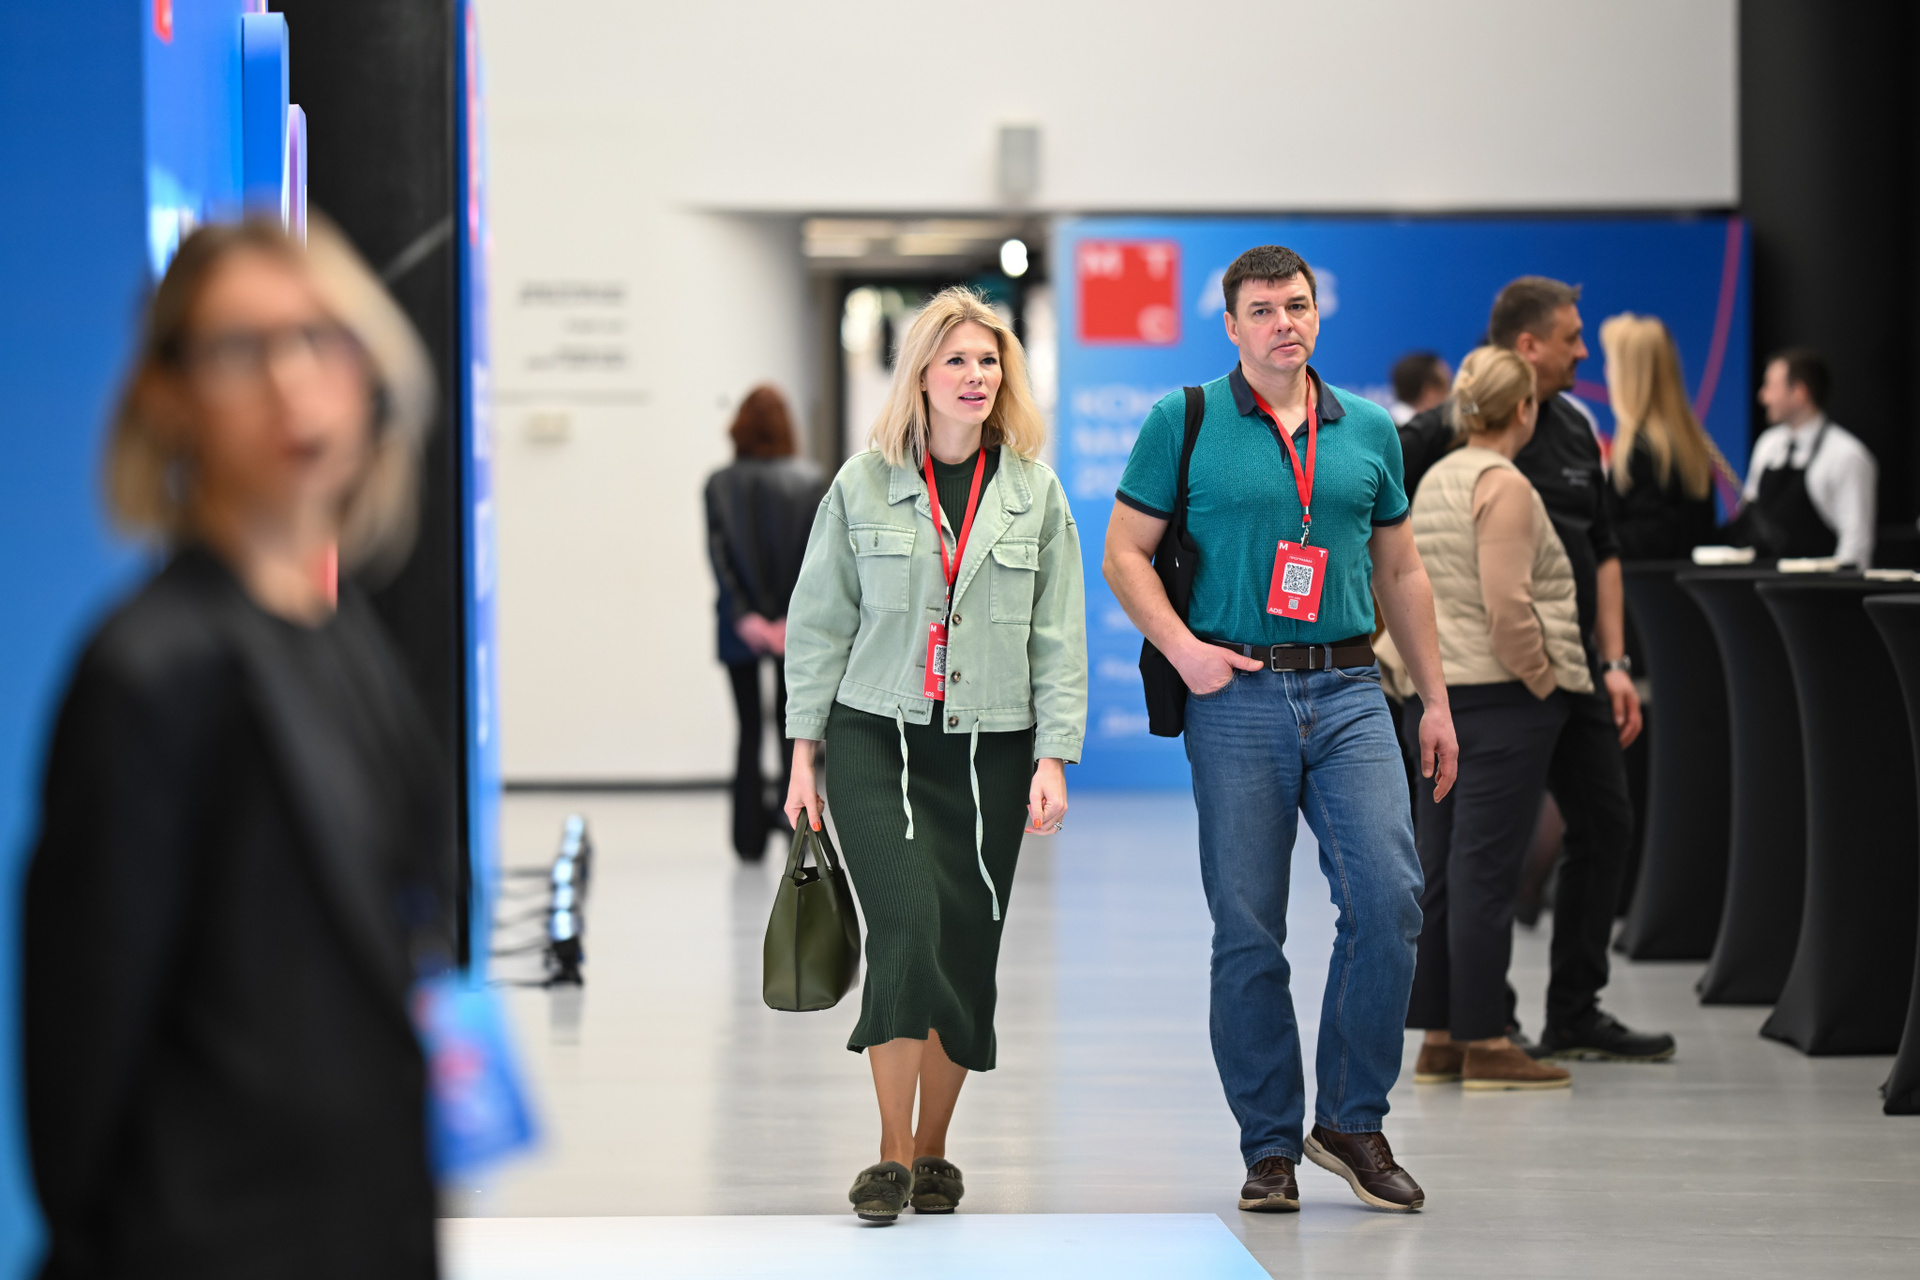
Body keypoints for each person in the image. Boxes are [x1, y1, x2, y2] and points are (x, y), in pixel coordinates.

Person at [24, 219, 448, 1277]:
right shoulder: (149, 670)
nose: (291, 383)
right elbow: (84, 1045)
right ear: (167, 397)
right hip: (206, 1242)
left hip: (360, 1225)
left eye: (320, 339)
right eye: (238, 350)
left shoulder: (342, 642)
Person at [1104, 245, 1457, 1215]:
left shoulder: (1369, 429)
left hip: (1349, 687)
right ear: (1231, 326)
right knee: (1250, 926)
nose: (1282, 323)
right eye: (1261, 310)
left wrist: (1434, 699)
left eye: (1296, 305)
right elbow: (1125, 553)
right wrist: (1185, 650)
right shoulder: (1183, 420)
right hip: (1237, 694)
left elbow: (1401, 571)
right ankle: (1268, 1144)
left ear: (1316, 314)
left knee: (1389, 898)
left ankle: (1350, 1118)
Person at [783, 287, 1086, 1224]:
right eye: (956, 360)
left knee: (966, 947)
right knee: (909, 925)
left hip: (990, 752)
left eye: (989, 361)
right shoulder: (862, 483)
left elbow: (1058, 636)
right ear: (919, 374)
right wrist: (801, 756)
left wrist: (1053, 756)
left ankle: (933, 1150)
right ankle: (888, 1154)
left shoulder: (1035, 492)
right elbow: (819, 623)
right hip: (877, 738)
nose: (975, 376)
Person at [1400, 277, 1672, 1062]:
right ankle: (1475, 1023)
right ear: (1528, 347)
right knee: (1472, 857)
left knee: (1604, 824)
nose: (1583, 352)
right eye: (1571, 338)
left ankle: (1571, 1012)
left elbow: (1603, 549)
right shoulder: (1444, 435)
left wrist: (1611, 662)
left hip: (1569, 673)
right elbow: (1393, 544)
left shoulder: (1578, 429)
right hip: (1497, 682)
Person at [1399, 348, 1590, 1091]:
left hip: (1439, 697)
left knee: (1444, 868)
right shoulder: (1504, 484)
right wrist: (1544, 683)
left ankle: (1441, 1035)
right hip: (1501, 699)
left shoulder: (1436, 478)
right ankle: (1486, 1039)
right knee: (1486, 871)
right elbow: (1511, 607)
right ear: (1525, 410)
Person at [704, 385, 826, 860]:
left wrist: (745, 616)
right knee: (792, 725)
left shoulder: (718, 484)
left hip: (739, 626)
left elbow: (719, 557)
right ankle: (792, 820)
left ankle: (747, 837)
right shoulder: (811, 480)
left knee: (748, 727)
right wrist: (788, 620)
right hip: (795, 625)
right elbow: (815, 559)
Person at [1736, 348, 1877, 566]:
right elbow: (1750, 514)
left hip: (1814, 586)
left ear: (1799, 393)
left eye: (1770, 387)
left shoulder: (1847, 455)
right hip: (1762, 579)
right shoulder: (1767, 444)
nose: (1762, 397)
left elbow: (1855, 546)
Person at [1599, 313, 1722, 560]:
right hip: (1686, 582)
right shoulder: (1688, 444)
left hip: (1645, 583)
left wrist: (1592, 537)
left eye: (1612, 363)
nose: (1606, 371)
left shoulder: (1641, 451)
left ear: (1629, 375)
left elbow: (1649, 541)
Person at [1387, 350, 1451, 427]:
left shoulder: (1387, 425)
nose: (1450, 394)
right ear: (1429, 392)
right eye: (1447, 386)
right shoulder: (1431, 430)